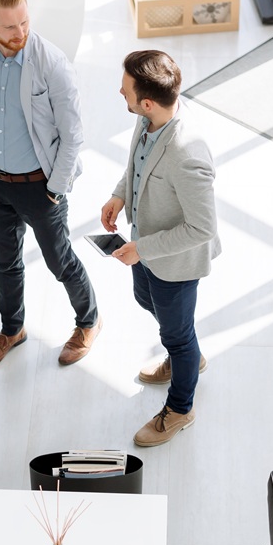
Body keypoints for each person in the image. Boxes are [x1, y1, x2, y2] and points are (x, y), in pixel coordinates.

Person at [0, 0, 101, 370]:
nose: (20, 31)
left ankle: (89, 321)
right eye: (9, 25)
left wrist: (54, 191)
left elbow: (74, 136)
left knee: (60, 261)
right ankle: (12, 329)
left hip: (41, 187)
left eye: (25, 21)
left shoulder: (52, 62)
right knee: (5, 261)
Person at [101, 50, 220, 446]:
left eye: (126, 92)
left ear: (147, 101)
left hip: (173, 262)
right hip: (146, 245)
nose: (121, 92)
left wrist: (143, 249)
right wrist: (120, 194)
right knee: (144, 298)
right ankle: (185, 351)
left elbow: (202, 228)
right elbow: (137, 162)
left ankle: (180, 407)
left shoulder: (188, 154)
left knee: (178, 335)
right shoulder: (148, 118)